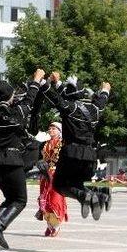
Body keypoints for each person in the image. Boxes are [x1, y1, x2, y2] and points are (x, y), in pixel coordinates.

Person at [0, 69, 45, 249]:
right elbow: (30, 98)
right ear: (11, 97)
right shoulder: (16, 112)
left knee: (10, 198)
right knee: (19, 200)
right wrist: (36, 80)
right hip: (11, 160)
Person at [43, 73, 112, 221]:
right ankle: (101, 193)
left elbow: (54, 97)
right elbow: (103, 97)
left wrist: (43, 81)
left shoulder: (70, 107)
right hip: (90, 156)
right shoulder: (95, 108)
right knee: (76, 184)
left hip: (72, 154)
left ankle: (84, 196)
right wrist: (106, 89)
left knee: (59, 185)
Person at [35, 122, 67, 237]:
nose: (51, 130)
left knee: (55, 199)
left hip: (57, 174)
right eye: (50, 128)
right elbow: (39, 159)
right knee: (45, 199)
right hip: (45, 174)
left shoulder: (63, 144)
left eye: (54, 128)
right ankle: (49, 224)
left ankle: (56, 225)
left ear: (59, 131)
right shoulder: (44, 144)